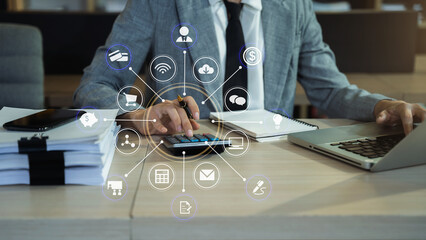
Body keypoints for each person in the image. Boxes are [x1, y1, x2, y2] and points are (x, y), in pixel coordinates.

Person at [74, 0, 426, 138]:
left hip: (278, 162)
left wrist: (383, 107)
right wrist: (136, 114)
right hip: (188, 158)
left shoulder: (294, 8)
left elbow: (330, 89)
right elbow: (96, 85)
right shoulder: (157, 4)